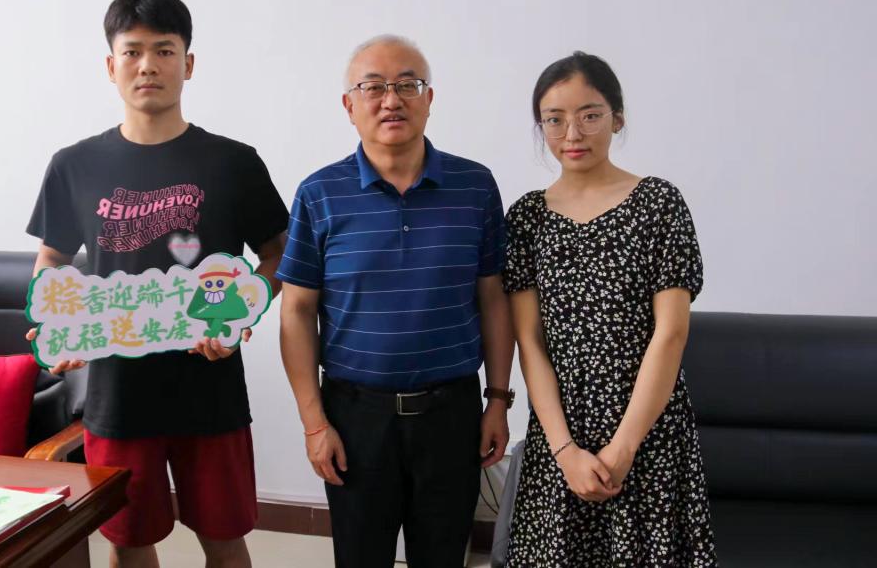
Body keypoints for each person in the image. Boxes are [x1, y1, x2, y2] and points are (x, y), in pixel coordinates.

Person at [26, 0, 288, 568]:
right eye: (133, 51)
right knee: (128, 541)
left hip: (210, 387)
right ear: (111, 66)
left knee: (225, 539)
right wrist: (57, 321)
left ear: (188, 64)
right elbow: (52, 259)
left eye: (165, 50)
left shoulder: (234, 162)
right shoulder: (73, 165)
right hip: (118, 395)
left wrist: (243, 308)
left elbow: (279, 252)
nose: (148, 65)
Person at [276, 35, 515, 567]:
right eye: (373, 87)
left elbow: (494, 299)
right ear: (349, 105)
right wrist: (314, 423)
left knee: (443, 557)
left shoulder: (474, 187)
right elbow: (296, 311)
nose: (391, 100)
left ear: (430, 99)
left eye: (408, 85)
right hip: (355, 418)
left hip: (452, 414)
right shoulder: (319, 193)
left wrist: (498, 399)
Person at [502, 52, 717, 566]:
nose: (572, 133)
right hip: (561, 435)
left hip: (647, 432)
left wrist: (624, 447)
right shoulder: (527, 217)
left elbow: (670, 334)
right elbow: (529, 341)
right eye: (554, 119)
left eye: (590, 115)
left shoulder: (659, 204)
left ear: (617, 118)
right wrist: (564, 451)